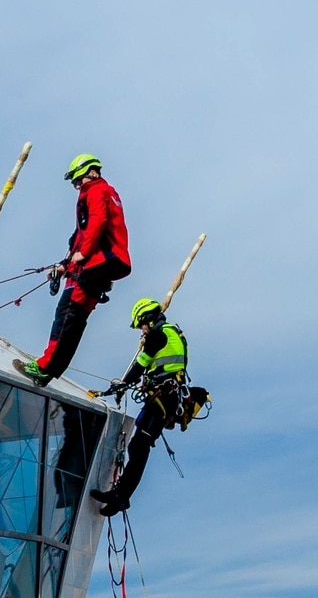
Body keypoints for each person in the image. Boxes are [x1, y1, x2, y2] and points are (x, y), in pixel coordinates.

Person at [17, 155, 129, 383]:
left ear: (92, 173)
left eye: (78, 180)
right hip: (102, 265)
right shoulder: (107, 193)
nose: (76, 186)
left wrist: (82, 254)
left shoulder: (96, 191)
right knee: (75, 321)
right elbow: (83, 234)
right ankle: (49, 371)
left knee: (66, 314)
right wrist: (65, 264)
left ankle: (44, 367)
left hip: (95, 262)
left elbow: (95, 225)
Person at [91, 300, 196, 516]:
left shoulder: (157, 335)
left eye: (141, 325)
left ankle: (121, 496)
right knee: (139, 445)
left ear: (147, 319)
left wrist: (122, 384)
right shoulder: (172, 331)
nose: (141, 330)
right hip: (166, 397)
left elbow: (140, 364)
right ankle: (121, 495)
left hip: (164, 397)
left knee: (139, 446)